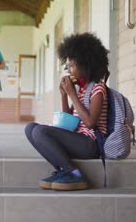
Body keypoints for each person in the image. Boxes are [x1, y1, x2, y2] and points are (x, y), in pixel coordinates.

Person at [24, 33, 109, 191]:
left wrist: (72, 94)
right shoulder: (81, 89)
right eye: (68, 66)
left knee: (40, 132)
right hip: (77, 139)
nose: (69, 70)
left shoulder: (98, 89)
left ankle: (74, 173)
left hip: (91, 144)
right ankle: (63, 170)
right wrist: (64, 96)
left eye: (72, 66)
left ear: (86, 65)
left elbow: (91, 123)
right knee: (30, 128)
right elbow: (69, 122)